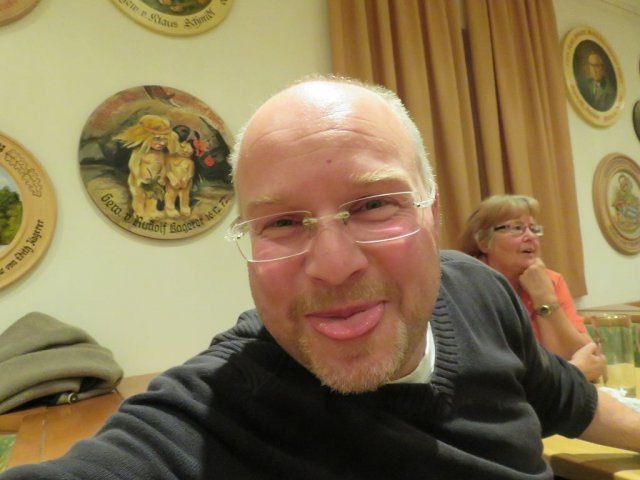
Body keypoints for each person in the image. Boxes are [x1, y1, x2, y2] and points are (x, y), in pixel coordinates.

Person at [3, 76, 640, 479]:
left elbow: (571, 402)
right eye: (282, 222)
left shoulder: (480, 291)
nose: (334, 265)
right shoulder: (218, 412)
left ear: (433, 214)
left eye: (374, 205)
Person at [459, 194, 606, 382]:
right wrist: (573, 372)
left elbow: (590, 358)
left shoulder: (550, 281)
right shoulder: (467, 287)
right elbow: (496, 376)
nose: (530, 236)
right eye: (516, 228)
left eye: (534, 229)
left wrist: (544, 298)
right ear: (483, 242)